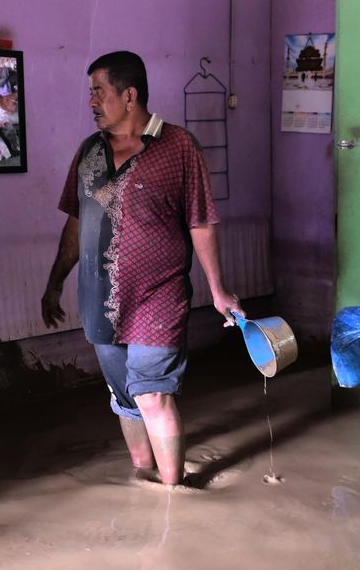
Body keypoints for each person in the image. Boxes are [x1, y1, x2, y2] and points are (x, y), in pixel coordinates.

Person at [41, 51, 242, 487]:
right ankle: (143, 478)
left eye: (99, 91)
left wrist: (218, 290)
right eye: (91, 92)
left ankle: (172, 492)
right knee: (125, 397)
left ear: (129, 96)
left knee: (151, 393)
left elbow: (200, 222)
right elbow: (76, 222)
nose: (92, 101)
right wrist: (54, 283)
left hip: (159, 295)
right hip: (100, 298)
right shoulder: (89, 152)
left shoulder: (179, 147)